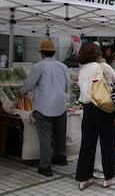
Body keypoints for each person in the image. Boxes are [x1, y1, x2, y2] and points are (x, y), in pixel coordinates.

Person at [75, 42, 115, 190]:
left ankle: (83, 178)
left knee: (87, 143)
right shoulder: (102, 66)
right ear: (97, 54)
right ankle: (109, 177)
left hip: (88, 108)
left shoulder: (82, 70)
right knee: (107, 142)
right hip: (103, 107)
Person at [21, 40, 71, 177]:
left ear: (42, 53)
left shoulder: (38, 66)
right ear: (54, 52)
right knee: (60, 133)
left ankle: (45, 166)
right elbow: (68, 85)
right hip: (60, 105)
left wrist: (23, 91)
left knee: (45, 136)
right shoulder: (63, 66)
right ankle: (61, 158)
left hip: (43, 106)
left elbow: (29, 84)